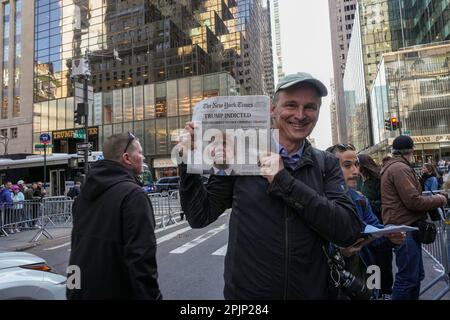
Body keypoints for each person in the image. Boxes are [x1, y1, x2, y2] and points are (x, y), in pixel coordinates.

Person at [176, 72, 363, 299]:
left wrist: (283, 181)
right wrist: (187, 162)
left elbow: (347, 231)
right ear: (272, 110)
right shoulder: (241, 155)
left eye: (310, 107)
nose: (300, 115)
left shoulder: (327, 163)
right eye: (291, 105)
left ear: (318, 112)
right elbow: (199, 216)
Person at [67, 132, 161, 300]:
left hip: (81, 292)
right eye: (139, 152)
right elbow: (141, 259)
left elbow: (76, 248)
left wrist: (73, 291)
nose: (143, 156)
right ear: (127, 158)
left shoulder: (82, 196)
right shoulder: (133, 195)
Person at [327, 144, 404, 300]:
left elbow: (376, 233)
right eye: (347, 165)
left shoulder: (361, 200)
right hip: (332, 282)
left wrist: (391, 236)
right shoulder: (315, 202)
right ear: (328, 169)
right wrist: (338, 252)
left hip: (368, 271)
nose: (355, 171)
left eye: (356, 164)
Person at [381, 135, 448, 300]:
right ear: (410, 151)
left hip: (404, 227)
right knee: (407, 279)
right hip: (404, 229)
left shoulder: (396, 167)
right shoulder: (399, 168)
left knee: (415, 276)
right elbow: (413, 201)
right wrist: (441, 199)